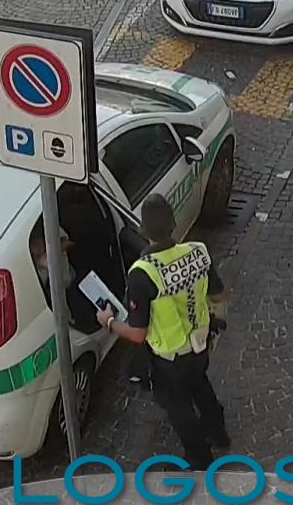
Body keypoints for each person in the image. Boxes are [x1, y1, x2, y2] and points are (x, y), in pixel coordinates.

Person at [95, 193, 230, 469]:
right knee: (200, 384)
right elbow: (218, 295)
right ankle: (219, 434)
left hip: (169, 358)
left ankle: (199, 457)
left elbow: (138, 334)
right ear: (172, 223)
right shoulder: (198, 251)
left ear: (144, 231)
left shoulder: (142, 273)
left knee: (179, 408)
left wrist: (108, 322)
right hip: (200, 343)